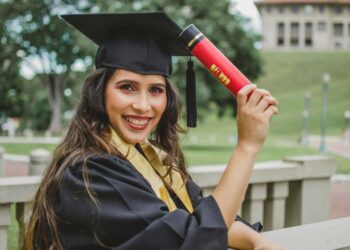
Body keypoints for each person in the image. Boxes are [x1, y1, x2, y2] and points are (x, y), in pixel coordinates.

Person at [22, 12, 281, 250]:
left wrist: (258, 242)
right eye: (127, 87)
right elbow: (192, 238)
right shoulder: (90, 173)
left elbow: (199, 214)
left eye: (156, 90)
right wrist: (247, 146)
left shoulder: (150, 156)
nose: (143, 106)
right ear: (99, 93)